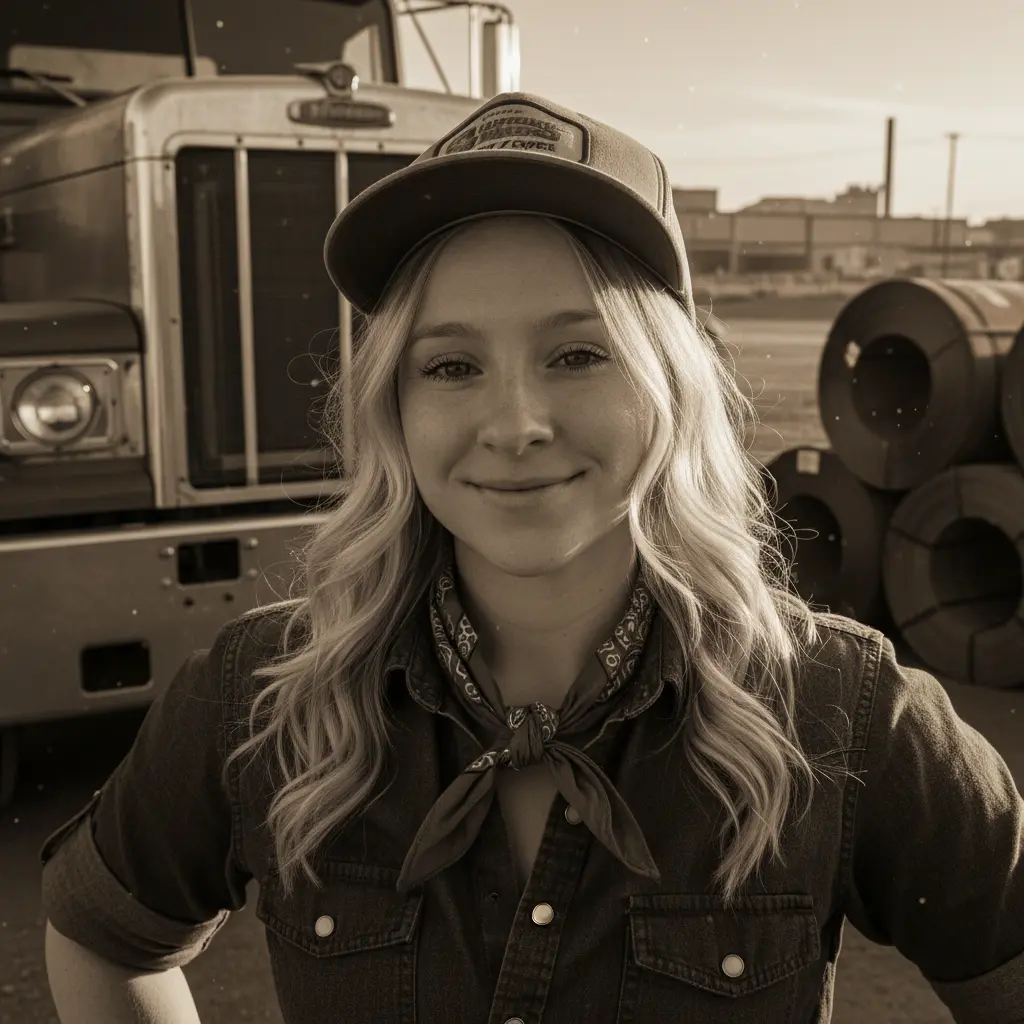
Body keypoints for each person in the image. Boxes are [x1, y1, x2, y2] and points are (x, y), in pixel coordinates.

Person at [40, 92, 1024, 1024]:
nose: (514, 425)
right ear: (395, 407)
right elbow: (102, 937)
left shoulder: (847, 713)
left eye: (577, 354)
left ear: (665, 388)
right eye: (452, 365)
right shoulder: (256, 696)